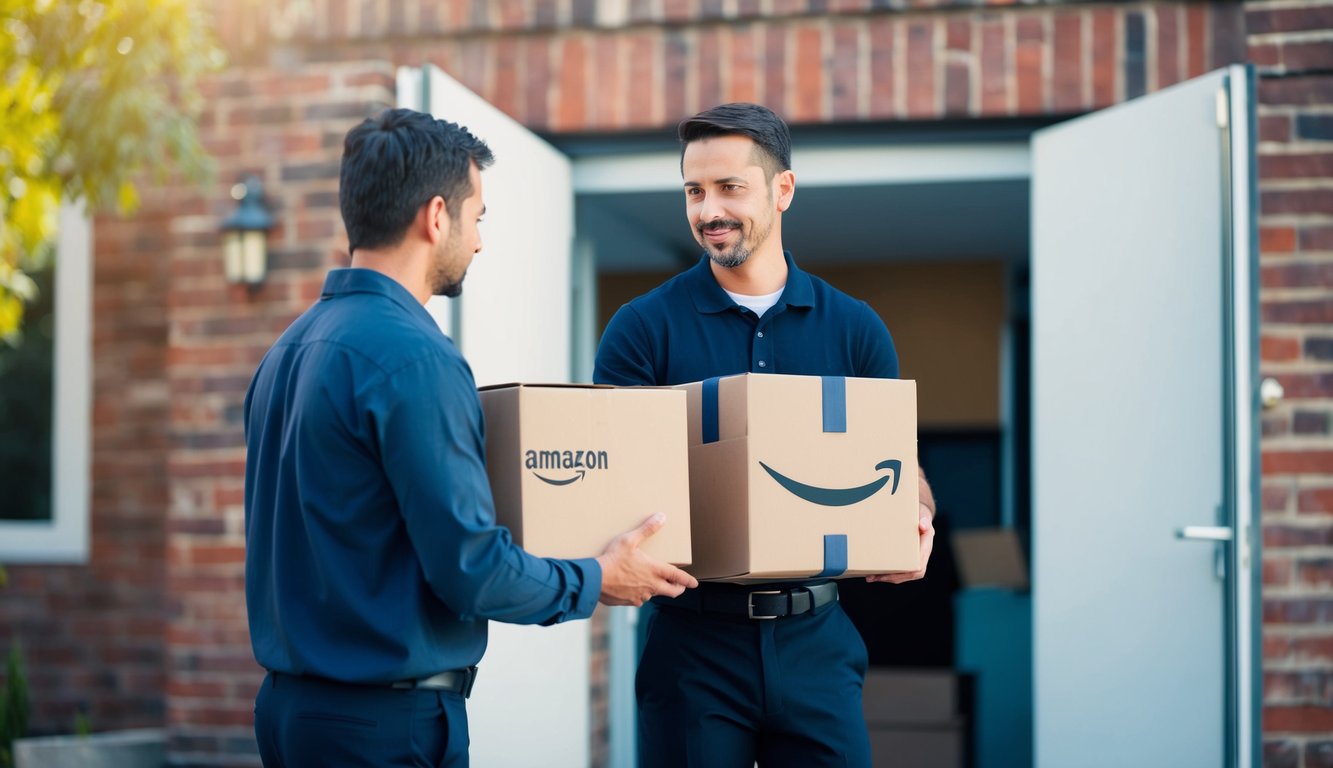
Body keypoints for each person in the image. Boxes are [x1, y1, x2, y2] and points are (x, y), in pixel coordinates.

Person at [243, 107, 697, 767]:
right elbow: (471, 572)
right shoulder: (415, 359)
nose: (479, 241)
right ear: (435, 216)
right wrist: (596, 576)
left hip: (292, 716)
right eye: (476, 217)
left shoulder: (287, 351)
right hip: (381, 729)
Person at [594, 102, 937, 767]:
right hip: (692, 644)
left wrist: (916, 516)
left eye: (728, 188)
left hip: (816, 638)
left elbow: (900, 465)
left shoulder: (853, 328)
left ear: (782, 190)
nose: (706, 210)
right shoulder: (642, 330)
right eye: (694, 191)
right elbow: (613, 486)